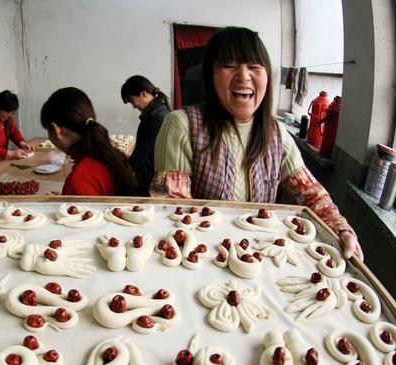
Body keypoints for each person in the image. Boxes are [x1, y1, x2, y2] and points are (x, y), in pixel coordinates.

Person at [152, 27, 362, 259]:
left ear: (267, 76)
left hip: (257, 259)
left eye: (254, 66)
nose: (243, 76)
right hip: (202, 257)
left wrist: (341, 229)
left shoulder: (277, 135)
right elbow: (173, 210)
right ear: (210, 75)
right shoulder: (183, 125)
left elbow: (312, 196)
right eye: (229, 65)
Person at [40, 87, 137, 196]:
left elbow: (84, 193)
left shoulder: (78, 180)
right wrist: (66, 199)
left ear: (57, 130)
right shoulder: (112, 155)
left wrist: (70, 197)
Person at [121, 75, 171, 196]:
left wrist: (123, 171)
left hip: (150, 180)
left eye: (132, 101)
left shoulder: (154, 119)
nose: (134, 106)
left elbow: (141, 159)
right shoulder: (160, 111)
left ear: (143, 93)